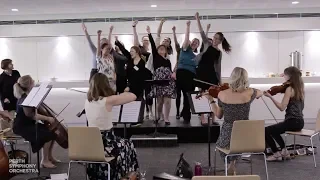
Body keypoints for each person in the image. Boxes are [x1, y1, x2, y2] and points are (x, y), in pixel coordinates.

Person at [204, 67, 262, 175]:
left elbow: (219, 115)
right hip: (245, 136)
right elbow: (260, 93)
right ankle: (233, 164)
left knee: (224, 144)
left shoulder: (222, 94)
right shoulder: (250, 93)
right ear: (245, 79)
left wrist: (211, 100)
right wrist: (249, 90)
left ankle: (230, 164)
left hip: (227, 134)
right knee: (237, 141)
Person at [85, 73, 139, 180]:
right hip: (106, 144)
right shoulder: (108, 101)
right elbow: (133, 96)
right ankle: (126, 176)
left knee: (123, 144)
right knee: (128, 144)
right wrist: (124, 93)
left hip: (91, 145)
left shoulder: (87, 101)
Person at [12, 75, 59, 168]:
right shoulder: (25, 98)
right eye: (32, 81)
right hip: (22, 127)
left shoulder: (29, 95)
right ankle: (44, 160)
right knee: (47, 135)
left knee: (51, 131)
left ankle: (49, 157)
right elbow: (32, 115)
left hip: (28, 124)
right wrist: (48, 118)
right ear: (29, 84)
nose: (34, 82)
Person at [194, 12, 232, 125]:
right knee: (201, 94)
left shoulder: (219, 53)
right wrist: (197, 19)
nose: (214, 40)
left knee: (211, 94)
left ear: (220, 41)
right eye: (214, 37)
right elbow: (201, 32)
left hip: (210, 74)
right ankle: (202, 117)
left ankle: (212, 117)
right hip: (201, 72)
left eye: (217, 39)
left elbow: (218, 67)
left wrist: (219, 81)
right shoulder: (207, 44)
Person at [263, 66, 304, 161]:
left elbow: (282, 107)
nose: (283, 76)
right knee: (274, 130)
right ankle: (284, 151)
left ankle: (276, 153)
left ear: (289, 76)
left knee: (266, 131)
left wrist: (270, 97)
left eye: (284, 75)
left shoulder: (289, 89)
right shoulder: (299, 89)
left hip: (292, 121)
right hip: (300, 122)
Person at [82, 23, 127, 93]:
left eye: (106, 44)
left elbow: (109, 44)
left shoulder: (109, 55)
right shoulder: (96, 51)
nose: (105, 45)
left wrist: (110, 31)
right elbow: (89, 41)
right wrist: (85, 31)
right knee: (94, 88)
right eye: (103, 43)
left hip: (106, 72)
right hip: (95, 71)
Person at [171, 20, 200, 124]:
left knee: (188, 96)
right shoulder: (184, 49)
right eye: (193, 41)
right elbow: (186, 38)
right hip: (181, 74)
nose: (194, 43)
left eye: (196, 43)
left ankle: (186, 115)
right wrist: (188, 26)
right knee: (179, 94)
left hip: (191, 77)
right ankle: (179, 112)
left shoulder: (196, 57)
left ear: (197, 46)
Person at [146, 25, 175, 125]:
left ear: (166, 51)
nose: (162, 50)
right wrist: (149, 33)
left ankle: (166, 118)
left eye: (163, 49)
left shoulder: (168, 61)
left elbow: (170, 71)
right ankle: (158, 116)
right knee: (160, 101)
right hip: (158, 80)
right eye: (160, 49)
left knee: (167, 100)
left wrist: (173, 75)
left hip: (167, 81)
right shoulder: (155, 57)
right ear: (157, 51)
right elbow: (153, 45)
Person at [132, 20, 154, 120]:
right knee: (140, 95)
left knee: (149, 95)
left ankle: (150, 111)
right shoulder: (139, 50)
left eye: (147, 40)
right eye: (144, 40)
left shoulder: (150, 54)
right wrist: (134, 28)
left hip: (148, 76)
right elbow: (135, 40)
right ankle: (140, 113)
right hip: (139, 77)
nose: (145, 42)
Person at [0, 59, 20, 134]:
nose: (12, 65)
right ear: (6, 65)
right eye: (10, 63)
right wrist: (4, 99)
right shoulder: (1, 77)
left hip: (17, 98)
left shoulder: (16, 73)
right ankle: (7, 136)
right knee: (8, 118)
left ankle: (17, 131)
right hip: (7, 100)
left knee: (19, 115)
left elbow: (20, 83)